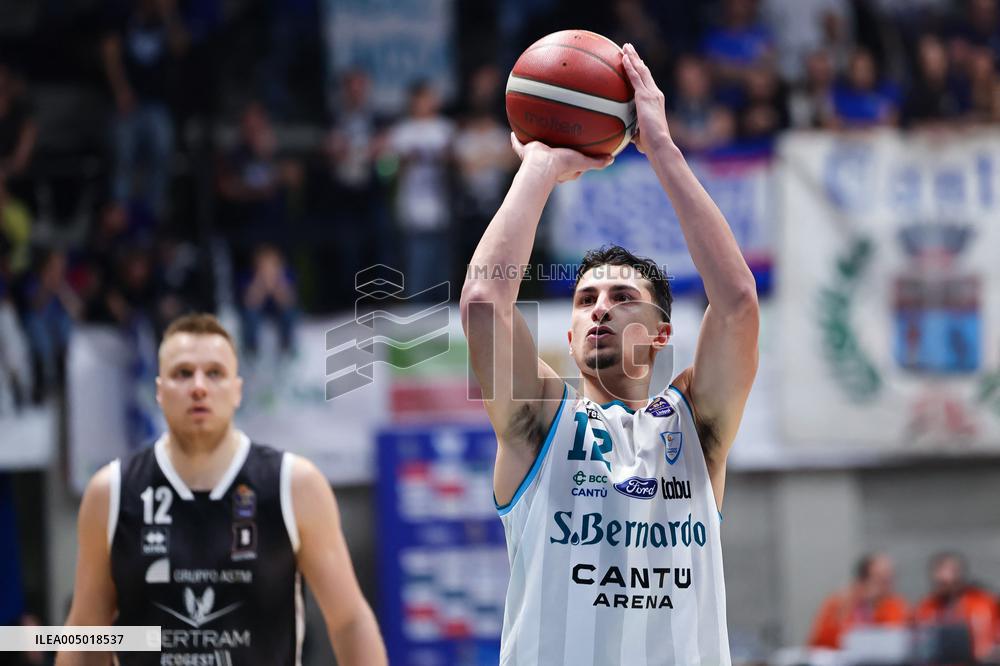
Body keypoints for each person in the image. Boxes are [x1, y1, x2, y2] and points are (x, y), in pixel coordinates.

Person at [461, 43, 759, 664]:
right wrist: (539, 168)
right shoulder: (540, 422)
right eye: (584, 299)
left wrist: (663, 150)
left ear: (658, 334)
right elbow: (486, 302)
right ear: (568, 337)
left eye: (622, 297)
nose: (599, 307)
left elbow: (735, 304)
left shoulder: (695, 426)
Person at [58, 313, 386, 665]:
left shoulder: (295, 484)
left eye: (215, 373)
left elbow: (350, 620)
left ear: (237, 390)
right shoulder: (111, 492)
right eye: (183, 373)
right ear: (158, 391)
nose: (199, 386)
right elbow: (86, 628)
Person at [807, 553, 910, 649]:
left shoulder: (895, 605)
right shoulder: (839, 602)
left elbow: (896, 640)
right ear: (863, 579)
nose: (887, 585)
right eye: (880, 579)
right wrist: (846, 608)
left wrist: (875, 609)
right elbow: (820, 642)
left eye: (890, 578)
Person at [915, 552, 998, 661]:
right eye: (939, 583)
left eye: (947, 583)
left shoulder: (983, 602)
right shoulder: (926, 608)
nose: (944, 587)